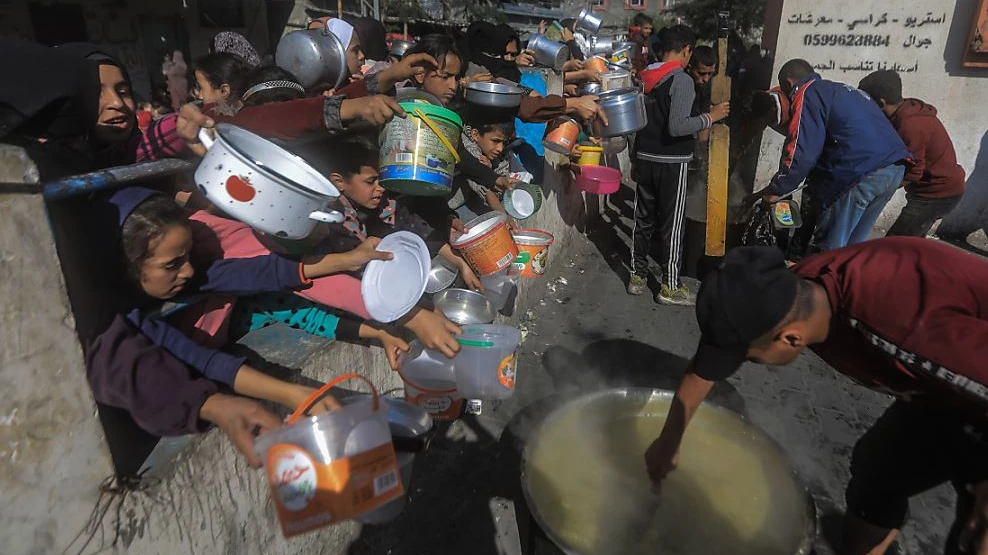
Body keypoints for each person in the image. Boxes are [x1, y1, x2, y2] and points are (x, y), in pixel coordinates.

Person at [644, 237, 988, 555]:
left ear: (791, 338)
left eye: (749, 357)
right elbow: (705, 369)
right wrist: (669, 440)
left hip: (972, 386)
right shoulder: (798, 285)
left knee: (974, 535)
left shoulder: (900, 331)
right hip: (940, 389)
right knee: (877, 473)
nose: (747, 364)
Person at [86, 187, 393, 463]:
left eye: (189, 255)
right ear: (126, 265)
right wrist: (284, 395)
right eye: (172, 264)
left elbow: (265, 272)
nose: (189, 270)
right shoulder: (118, 322)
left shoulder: (194, 276)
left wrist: (348, 260)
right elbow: (197, 358)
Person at [759, 59, 911, 253]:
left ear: (789, 83)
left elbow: (801, 152)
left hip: (861, 173)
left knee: (828, 251)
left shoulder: (807, 93)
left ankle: (813, 278)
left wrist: (778, 188)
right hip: (894, 169)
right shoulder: (839, 91)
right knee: (851, 250)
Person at [630, 25, 730, 305]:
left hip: (646, 157)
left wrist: (634, 157)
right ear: (687, 50)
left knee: (643, 219)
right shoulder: (681, 80)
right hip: (673, 162)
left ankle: (637, 276)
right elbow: (677, 127)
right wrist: (711, 117)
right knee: (672, 225)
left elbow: (636, 123)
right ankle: (670, 286)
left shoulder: (645, 76)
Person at [316, 138, 483, 291]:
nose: (381, 188)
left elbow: (418, 229)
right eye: (370, 181)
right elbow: (362, 273)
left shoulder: (383, 203)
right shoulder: (335, 219)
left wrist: (462, 265)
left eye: (381, 179)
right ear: (339, 182)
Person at [858, 70, 966, 238]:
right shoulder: (903, 111)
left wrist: (874, 187)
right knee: (910, 244)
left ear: (880, 103)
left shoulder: (911, 124)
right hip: (933, 190)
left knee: (894, 245)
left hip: (937, 193)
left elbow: (914, 171)